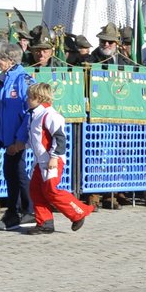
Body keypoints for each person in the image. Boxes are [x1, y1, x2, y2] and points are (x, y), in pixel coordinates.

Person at [22, 82, 93, 235]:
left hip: (50, 160)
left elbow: (60, 138)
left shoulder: (50, 114)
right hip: (40, 161)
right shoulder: (35, 115)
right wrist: (21, 146)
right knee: (35, 190)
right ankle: (45, 222)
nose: (27, 99)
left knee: (51, 191)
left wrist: (54, 157)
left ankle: (78, 212)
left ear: (38, 98)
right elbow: (36, 139)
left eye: (29, 97)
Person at [0, 41, 33, 231]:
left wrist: (20, 141)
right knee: (11, 173)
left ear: (10, 60)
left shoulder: (23, 80)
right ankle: (19, 211)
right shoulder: (3, 81)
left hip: (17, 139)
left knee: (17, 173)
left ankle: (23, 211)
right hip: (7, 138)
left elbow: (28, 112)